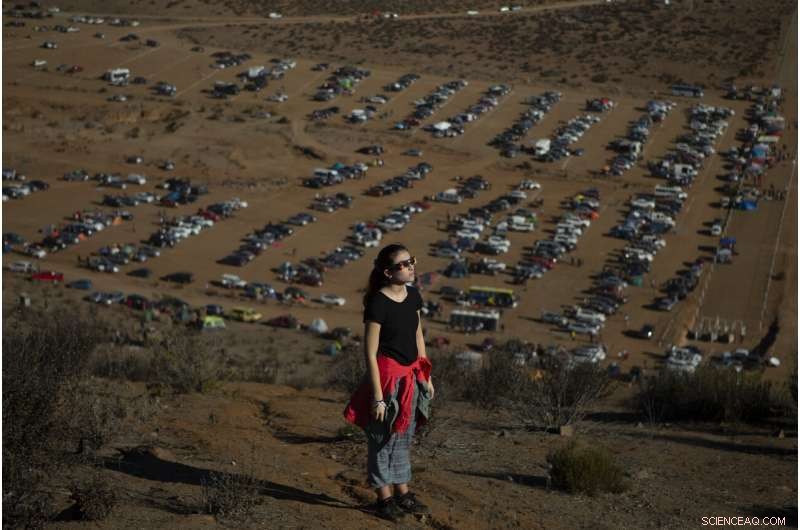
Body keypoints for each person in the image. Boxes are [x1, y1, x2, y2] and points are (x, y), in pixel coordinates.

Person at [343, 244, 433, 522]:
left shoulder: (414, 295)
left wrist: (426, 376)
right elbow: (370, 353)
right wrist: (379, 397)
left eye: (411, 261)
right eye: (404, 264)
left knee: (403, 438)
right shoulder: (378, 303)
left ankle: (402, 493)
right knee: (381, 439)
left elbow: (418, 337)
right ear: (387, 272)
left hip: (411, 377)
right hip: (387, 378)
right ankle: (384, 500)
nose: (411, 267)